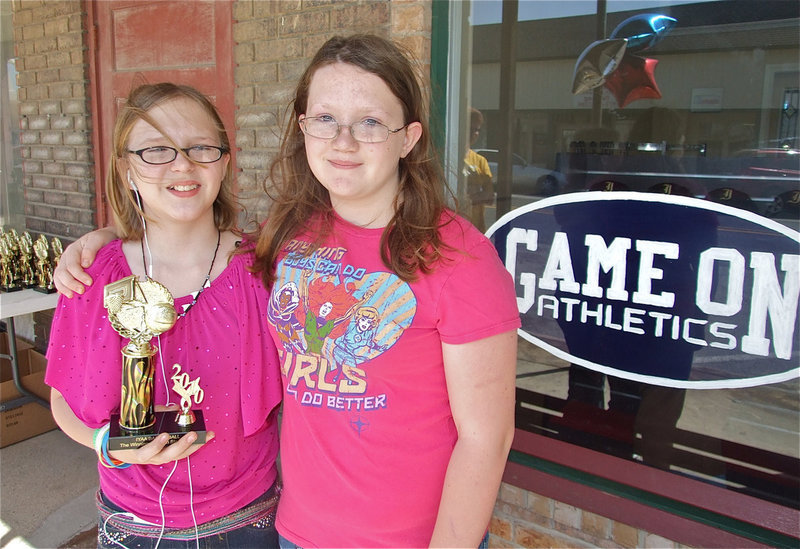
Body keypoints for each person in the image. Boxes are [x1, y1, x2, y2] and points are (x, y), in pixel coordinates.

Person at [54, 34, 521, 548]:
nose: (343, 141)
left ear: (408, 138)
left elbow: (487, 439)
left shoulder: (460, 257)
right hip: (293, 531)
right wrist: (103, 243)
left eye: (369, 122)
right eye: (324, 119)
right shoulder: (289, 237)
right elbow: (178, 236)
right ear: (304, 130)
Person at [45, 82, 282, 548]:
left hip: (249, 522)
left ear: (224, 161)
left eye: (200, 147)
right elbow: (63, 399)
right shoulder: (92, 278)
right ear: (125, 168)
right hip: (131, 525)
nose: (182, 164)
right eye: (156, 150)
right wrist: (104, 445)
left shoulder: (265, 273)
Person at [463, 107, 494, 232]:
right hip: (455, 228)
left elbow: (489, 197)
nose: (474, 133)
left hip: (476, 229)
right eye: (470, 129)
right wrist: (476, 194)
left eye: (477, 130)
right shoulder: (447, 157)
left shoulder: (481, 161)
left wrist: (467, 198)